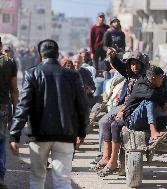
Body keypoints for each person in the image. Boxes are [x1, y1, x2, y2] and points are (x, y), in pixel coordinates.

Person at [9, 39, 89, 189]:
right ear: (58, 54)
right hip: (66, 135)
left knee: (37, 179)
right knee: (63, 181)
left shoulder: (32, 74)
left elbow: (23, 106)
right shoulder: (72, 76)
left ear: (40, 55)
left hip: (39, 135)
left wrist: (15, 134)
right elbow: (83, 107)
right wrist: (82, 132)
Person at [93, 49, 150, 175]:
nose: (134, 66)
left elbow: (138, 99)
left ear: (142, 64)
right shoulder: (129, 74)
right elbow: (119, 65)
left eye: (137, 63)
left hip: (136, 108)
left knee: (115, 124)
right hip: (124, 106)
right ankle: (106, 156)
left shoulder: (145, 78)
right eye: (132, 63)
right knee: (103, 122)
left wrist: (123, 110)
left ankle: (113, 161)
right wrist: (113, 57)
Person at [0, 37, 19, 189]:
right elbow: (14, 90)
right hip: (3, 107)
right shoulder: (9, 62)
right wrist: (16, 111)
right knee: (0, 141)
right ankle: (0, 178)